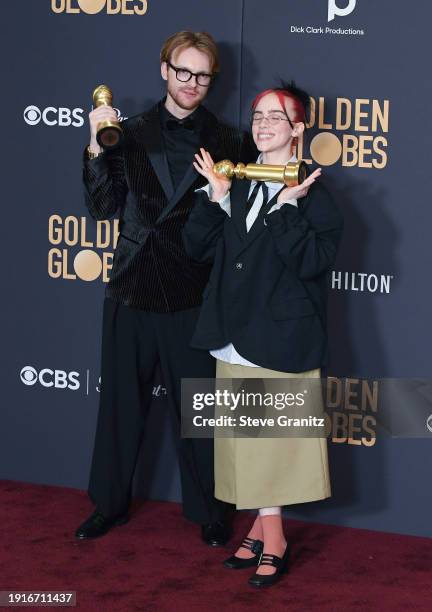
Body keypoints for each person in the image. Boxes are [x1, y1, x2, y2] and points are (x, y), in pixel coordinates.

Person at [76, 31, 254, 545]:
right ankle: (108, 504)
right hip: (130, 288)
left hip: (192, 296)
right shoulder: (125, 132)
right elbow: (103, 208)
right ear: (164, 70)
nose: (192, 83)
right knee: (118, 409)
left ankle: (211, 513)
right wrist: (93, 143)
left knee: (199, 414)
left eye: (202, 75)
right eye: (183, 71)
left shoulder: (231, 142)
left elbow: (236, 226)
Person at [182, 82, 344, 586]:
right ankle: (258, 527)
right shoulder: (242, 183)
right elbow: (197, 248)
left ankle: (273, 538)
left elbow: (315, 262)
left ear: (299, 130)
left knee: (268, 443)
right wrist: (216, 197)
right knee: (244, 441)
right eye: (257, 114)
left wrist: (289, 209)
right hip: (232, 333)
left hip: (279, 339)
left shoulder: (316, 194)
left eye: (277, 116)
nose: (263, 123)